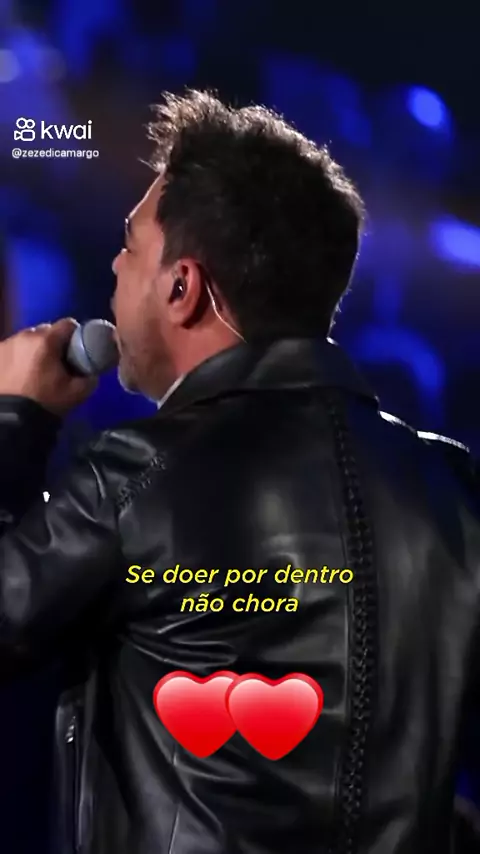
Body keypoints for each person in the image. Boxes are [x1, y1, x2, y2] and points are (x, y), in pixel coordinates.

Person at [0, 89, 478, 854]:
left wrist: (14, 421)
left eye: (130, 245)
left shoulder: (135, 476)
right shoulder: (451, 490)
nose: (115, 267)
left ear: (182, 288)